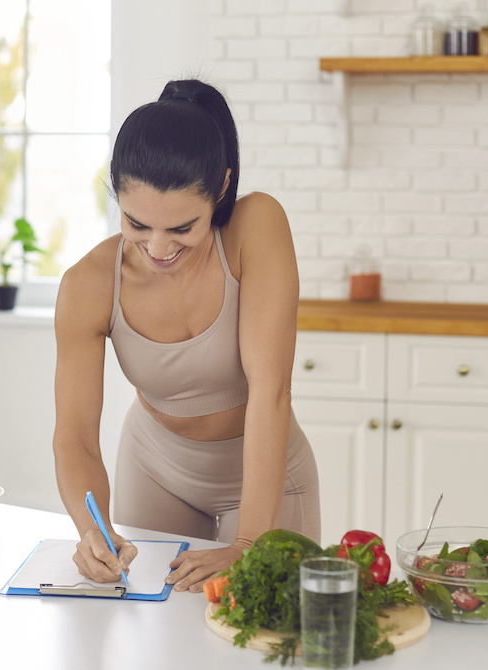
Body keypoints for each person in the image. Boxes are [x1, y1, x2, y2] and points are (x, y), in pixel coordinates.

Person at [53, 78, 320, 594]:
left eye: (182, 229)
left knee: (269, 641)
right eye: (136, 223)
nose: (157, 247)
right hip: (156, 468)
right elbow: (76, 435)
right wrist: (92, 532)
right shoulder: (87, 285)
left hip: (268, 471)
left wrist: (248, 544)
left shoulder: (255, 226)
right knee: (157, 647)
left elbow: (272, 391)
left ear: (220, 188)